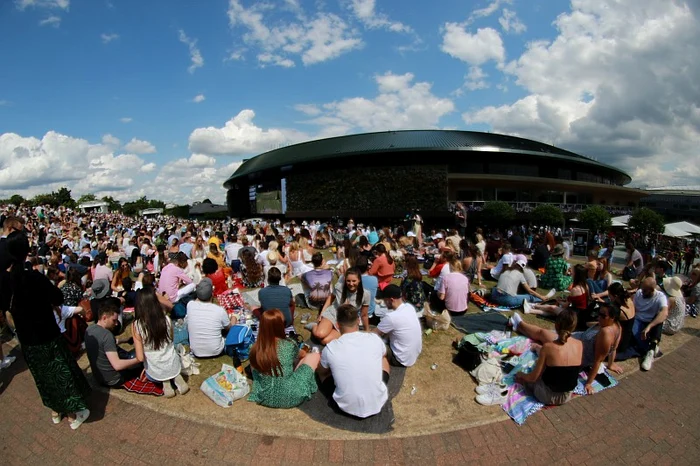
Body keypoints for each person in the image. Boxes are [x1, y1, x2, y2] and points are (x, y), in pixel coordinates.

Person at [0, 231, 91, 429]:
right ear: (27, 251)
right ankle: (72, 414)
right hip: (47, 334)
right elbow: (57, 298)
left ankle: (55, 410)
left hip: (26, 339)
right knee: (60, 373)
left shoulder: (6, 280)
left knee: (42, 376)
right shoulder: (33, 277)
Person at [318, 304, 390, 418]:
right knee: (383, 358)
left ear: (337, 325)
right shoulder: (374, 339)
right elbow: (384, 354)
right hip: (377, 402)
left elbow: (321, 371)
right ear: (358, 320)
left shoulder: (331, 348)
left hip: (344, 407)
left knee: (322, 372)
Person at [248, 309, 319, 408]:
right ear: (279, 326)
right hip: (291, 396)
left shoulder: (254, 348)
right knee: (314, 356)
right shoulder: (289, 344)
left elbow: (254, 371)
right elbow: (302, 355)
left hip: (264, 397)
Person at [510, 310, 583, 406]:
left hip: (546, 396)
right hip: (566, 396)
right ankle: (537, 350)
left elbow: (533, 378)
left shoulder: (548, 347)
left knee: (523, 376)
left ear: (556, 325)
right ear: (573, 327)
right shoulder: (579, 344)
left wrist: (521, 375)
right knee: (549, 362)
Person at [132, 289, 188, 398]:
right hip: (173, 364)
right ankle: (176, 377)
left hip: (155, 370)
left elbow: (139, 357)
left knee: (152, 369)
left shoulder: (136, 326)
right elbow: (171, 339)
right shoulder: (166, 319)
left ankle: (166, 383)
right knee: (171, 351)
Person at [85, 303, 142, 388]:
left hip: (99, 377)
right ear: (104, 318)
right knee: (139, 355)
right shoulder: (107, 335)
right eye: (114, 320)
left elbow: (108, 343)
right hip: (114, 379)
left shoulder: (89, 330)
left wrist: (125, 340)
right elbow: (117, 365)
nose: (116, 324)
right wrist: (138, 359)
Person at [311, 268, 370, 345]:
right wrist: (322, 313)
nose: (351, 284)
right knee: (319, 334)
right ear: (345, 280)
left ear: (359, 280)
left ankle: (330, 328)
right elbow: (331, 298)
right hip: (333, 313)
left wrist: (367, 330)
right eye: (348, 281)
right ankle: (314, 326)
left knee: (324, 341)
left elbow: (364, 315)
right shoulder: (339, 287)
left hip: (347, 321)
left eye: (354, 281)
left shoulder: (365, 294)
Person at [185, 278, 237, 358]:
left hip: (196, 351)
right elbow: (229, 328)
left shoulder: (190, 305)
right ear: (212, 294)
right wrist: (234, 318)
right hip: (216, 351)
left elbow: (197, 300)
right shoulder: (219, 310)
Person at [373, 285, 422, 367]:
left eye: (385, 300)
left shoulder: (391, 317)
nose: (384, 303)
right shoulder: (409, 307)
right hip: (412, 355)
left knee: (372, 343)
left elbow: (374, 334)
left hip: (400, 359)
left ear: (391, 300)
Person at [523, 264, 589, 317]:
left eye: (573, 272)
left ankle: (534, 305)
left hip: (573, 315)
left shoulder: (575, 289)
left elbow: (565, 305)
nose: (571, 273)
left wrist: (558, 301)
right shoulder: (585, 286)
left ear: (576, 275)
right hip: (581, 314)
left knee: (553, 308)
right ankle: (530, 310)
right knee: (553, 312)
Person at [633, 277, 669, 371]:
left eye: (645, 290)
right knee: (635, 333)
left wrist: (649, 327)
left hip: (650, 322)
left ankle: (650, 351)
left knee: (659, 318)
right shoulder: (639, 293)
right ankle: (651, 348)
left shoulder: (660, 296)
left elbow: (664, 312)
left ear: (652, 290)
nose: (642, 292)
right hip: (638, 319)